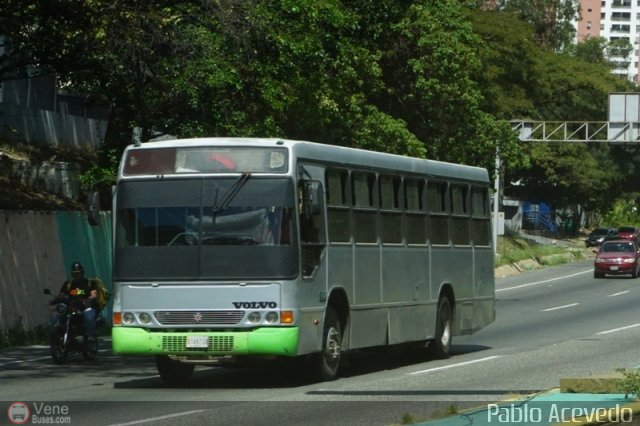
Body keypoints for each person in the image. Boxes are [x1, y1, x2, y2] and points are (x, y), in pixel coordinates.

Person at [54, 261, 100, 347]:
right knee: (57, 318)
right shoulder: (68, 284)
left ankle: (90, 337)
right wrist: (54, 301)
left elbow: (94, 294)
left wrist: (87, 300)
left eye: (78, 273)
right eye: (74, 273)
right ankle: (59, 336)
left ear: (82, 273)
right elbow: (61, 295)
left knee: (89, 316)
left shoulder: (90, 283)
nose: (76, 275)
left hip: (85, 307)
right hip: (72, 307)